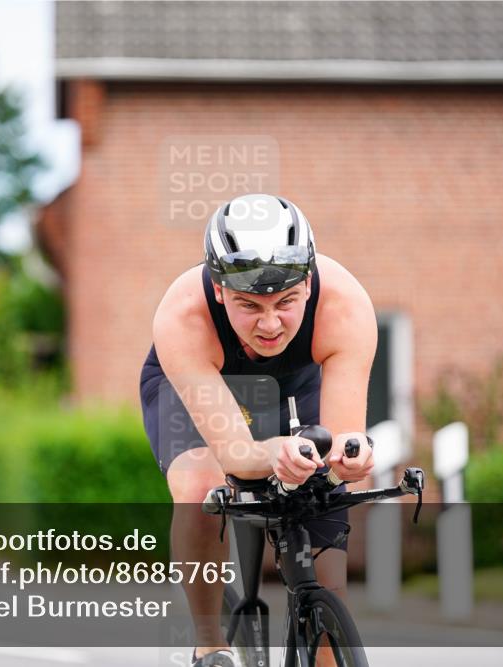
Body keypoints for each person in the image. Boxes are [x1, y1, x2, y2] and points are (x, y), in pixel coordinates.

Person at [140, 194, 378, 667]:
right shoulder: (184, 315)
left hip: (298, 381)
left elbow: (346, 443)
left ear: (309, 283)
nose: (270, 324)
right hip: (201, 381)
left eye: (287, 302)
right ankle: (210, 643)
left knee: (328, 565)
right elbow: (237, 457)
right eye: (249, 305)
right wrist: (271, 455)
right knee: (201, 488)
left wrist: (351, 458)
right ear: (221, 291)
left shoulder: (344, 305)